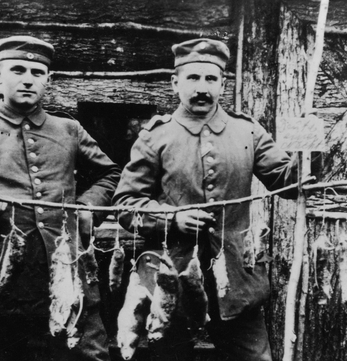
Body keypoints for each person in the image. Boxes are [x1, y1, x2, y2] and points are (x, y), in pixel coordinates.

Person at [112, 38, 299, 361]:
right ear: (175, 83)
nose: (202, 88)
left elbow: (289, 182)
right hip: (171, 279)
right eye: (193, 78)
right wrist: (172, 218)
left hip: (236, 280)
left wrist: (309, 149)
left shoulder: (248, 133)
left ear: (222, 84)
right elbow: (126, 204)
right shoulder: (156, 136)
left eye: (211, 79)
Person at [0, 35, 121, 361]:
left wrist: (86, 209)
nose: (28, 79)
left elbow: (110, 174)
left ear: (47, 80)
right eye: (18, 69)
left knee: (86, 354)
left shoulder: (68, 130)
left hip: (65, 269)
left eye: (37, 72)